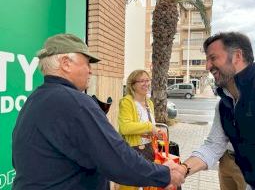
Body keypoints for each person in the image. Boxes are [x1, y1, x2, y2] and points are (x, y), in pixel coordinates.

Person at [12, 34, 186, 190]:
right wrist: (165, 175)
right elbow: (116, 158)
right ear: (65, 63)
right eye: (87, 63)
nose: (90, 70)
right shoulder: (75, 102)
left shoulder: (35, 99)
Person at [182, 32, 255, 190]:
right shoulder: (224, 105)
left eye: (213, 58)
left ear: (237, 56)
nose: (207, 66)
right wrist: (182, 169)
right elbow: (213, 146)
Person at [118, 70, 158, 190]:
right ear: (132, 84)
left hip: (148, 150)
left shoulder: (149, 103)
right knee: (131, 185)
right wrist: (149, 127)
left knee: (146, 186)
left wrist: (155, 132)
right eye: (142, 81)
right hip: (133, 152)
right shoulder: (127, 102)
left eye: (147, 80)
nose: (146, 83)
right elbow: (125, 127)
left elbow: (149, 127)